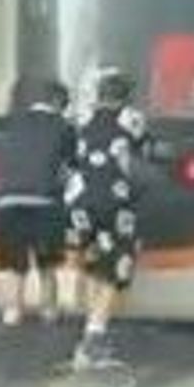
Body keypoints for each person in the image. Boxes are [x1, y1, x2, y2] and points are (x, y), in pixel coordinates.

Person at [65, 70, 147, 368]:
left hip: (77, 202)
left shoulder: (80, 117)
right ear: (126, 96)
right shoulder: (131, 118)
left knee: (92, 264)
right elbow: (143, 148)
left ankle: (90, 330)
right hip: (112, 201)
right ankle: (94, 337)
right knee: (118, 267)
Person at [0, 77, 76, 327]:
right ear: (59, 102)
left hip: (8, 200)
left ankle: (12, 311)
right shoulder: (64, 127)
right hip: (45, 200)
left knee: (12, 263)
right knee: (47, 262)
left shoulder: (12, 123)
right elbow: (73, 166)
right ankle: (48, 310)